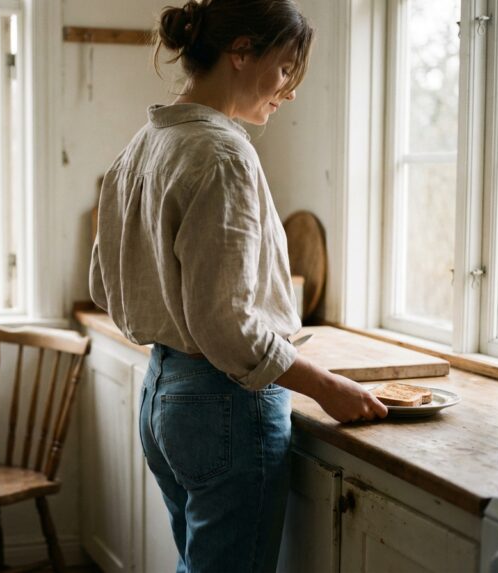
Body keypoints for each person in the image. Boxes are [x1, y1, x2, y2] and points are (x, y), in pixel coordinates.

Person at [89, 1, 388, 571]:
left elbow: (104, 285)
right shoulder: (223, 154)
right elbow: (227, 328)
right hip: (224, 404)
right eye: (284, 70)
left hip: (162, 395)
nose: (290, 91)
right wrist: (326, 387)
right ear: (241, 51)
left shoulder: (140, 147)